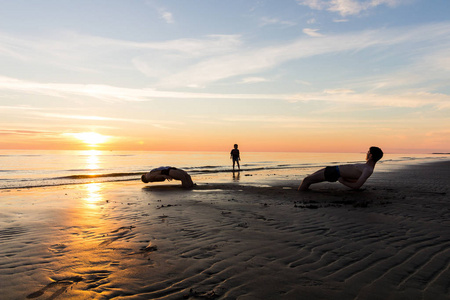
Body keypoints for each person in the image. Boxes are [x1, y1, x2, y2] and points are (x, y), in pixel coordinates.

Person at [298, 147, 383, 191]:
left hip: (334, 173)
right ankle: (304, 191)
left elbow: (357, 186)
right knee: (309, 179)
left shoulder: (368, 169)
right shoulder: (366, 166)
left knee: (306, 180)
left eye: (368, 152)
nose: (366, 153)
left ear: (371, 156)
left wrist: (342, 181)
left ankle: (300, 195)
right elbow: (354, 177)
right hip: (333, 169)